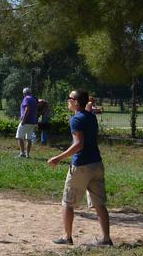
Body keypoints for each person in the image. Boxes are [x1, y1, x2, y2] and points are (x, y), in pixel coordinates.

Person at [47, 89, 112, 247]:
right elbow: (87, 110)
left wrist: (58, 158)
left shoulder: (76, 120)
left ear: (76, 102)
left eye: (70, 98)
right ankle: (106, 239)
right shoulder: (90, 116)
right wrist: (89, 104)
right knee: (99, 204)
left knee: (67, 202)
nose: (68, 100)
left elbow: (78, 144)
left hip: (81, 166)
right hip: (96, 164)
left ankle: (67, 237)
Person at [16, 87, 39, 158]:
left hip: (26, 121)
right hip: (33, 122)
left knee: (19, 137)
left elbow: (27, 108)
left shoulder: (26, 98)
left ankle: (22, 153)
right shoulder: (34, 99)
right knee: (29, 139)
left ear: (24, 93)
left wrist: (23, 119)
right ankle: (27, 154)